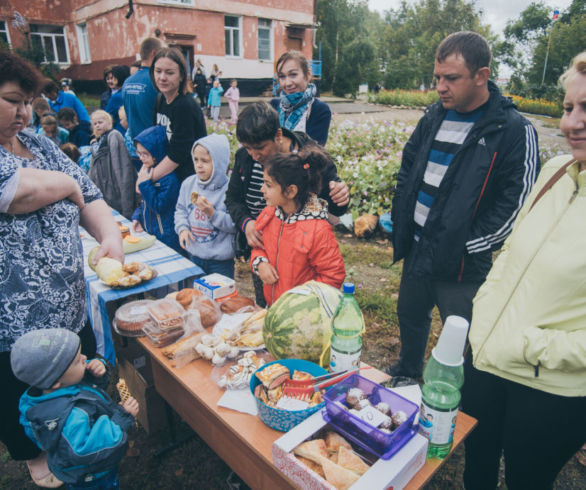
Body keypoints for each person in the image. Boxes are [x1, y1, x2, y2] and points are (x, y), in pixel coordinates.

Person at [462, 51, 586, 490]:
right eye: (569, 107)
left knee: (526, 479)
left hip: (548, 387)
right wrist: (485, 310)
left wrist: (532, 345)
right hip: (487, 356)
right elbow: (512, 252)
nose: (572, 123)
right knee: (475, 460)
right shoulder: (556, 171)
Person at [0, 51, 123, 488]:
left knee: (83, 390)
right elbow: (12, 191)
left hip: (69, 314)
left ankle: (89, 441)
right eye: (13, 100)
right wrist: (66, 184)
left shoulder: (38, 143)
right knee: (30, 413)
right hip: (16, 332)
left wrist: (110, 238)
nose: (24, 112)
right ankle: (39, 460)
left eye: (29, 100)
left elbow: (90, 195)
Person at [388, 31, 540, 384]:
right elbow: (409, 164)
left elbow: (515, 204)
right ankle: (408, 373)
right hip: (419, 248)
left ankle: (457, 397)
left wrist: (465, 243)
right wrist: (402, 216)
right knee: (410, 315)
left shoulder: (513, 130)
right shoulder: (435, 115)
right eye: (438, 77)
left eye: (451, 78)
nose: (441, 86)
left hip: (462, 263)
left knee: (463, 334)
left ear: (481, 76)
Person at [225, 102, 349, 306]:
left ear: (278, 135)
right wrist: (247, 224)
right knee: (267, 299)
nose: (254, 156)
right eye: (248, 148)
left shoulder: (308, 156)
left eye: (260, 148)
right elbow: (233, 198)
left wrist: (341, 196)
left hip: (301, 264)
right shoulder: (245, 160)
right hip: (264, 243)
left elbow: (335, 205)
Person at [11, 328, 138, 489]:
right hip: (92, 474)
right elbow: (87, 448)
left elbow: (88, 394)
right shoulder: (69, 418)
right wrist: (121, 419)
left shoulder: (51, 390)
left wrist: (94, 376)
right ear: (56, 380)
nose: (85, 358)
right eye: (78, 360)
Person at [251, 148, 345, 306]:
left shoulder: (318, 230)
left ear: (290, 191)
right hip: (274, 307)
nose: (262, 189)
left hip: (303, 316)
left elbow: (333, 275)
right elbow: (258, 246)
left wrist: (303, 303)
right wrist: (260, 263)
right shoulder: (269, 215)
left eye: (268, 185)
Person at [175, 133, 236, 278]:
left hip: (221, 261)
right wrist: (182, 228)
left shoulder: (229, 190)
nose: (199, 165)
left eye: (205, 160)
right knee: (196, 298)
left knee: (221, 299)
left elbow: (234, 224)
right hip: (194, 254)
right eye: (196, 160)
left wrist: (212, 214)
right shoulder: (189, 184)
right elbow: (181, 210)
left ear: (219, 162)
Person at [149, 47, 207, 183]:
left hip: (187, 180)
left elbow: (179, 153)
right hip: (168, 176)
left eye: (169, 73)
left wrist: (149, 178)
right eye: (158, 71)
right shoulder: (160, 99)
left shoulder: (184, 106)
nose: (162, 77)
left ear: (181, 76)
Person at [131, 125, 182, 254]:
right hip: (151, 232)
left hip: (167, 237)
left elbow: (159, 206)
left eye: (145, 154)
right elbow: (144, 202)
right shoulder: (146, 171)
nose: (141, 158)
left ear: (156, 152)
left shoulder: (169, 179)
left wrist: (144, 184)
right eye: (139, 153)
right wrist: (137, 217)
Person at [270, 50, 331, 146]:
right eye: (282, 76)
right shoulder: (273, 106)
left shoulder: (319, 110)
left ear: (307, 75)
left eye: (293, 74)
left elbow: (314, 153)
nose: (287, 83)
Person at [88, 110, 137, 219]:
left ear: (109, 122)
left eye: (100, 122)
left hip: (115, 189)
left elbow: (122, 168)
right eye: (95, 124)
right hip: (104, 190)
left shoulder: (114, 135)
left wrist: (126, 204)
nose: (97, 126)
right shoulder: (98, 141)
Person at [122, 37, 163, 141]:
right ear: (154, 53)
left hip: (136, 143)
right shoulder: (156, 80)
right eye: (161, 54)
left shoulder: (127, 82)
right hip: (154, 143)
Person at [104, 65, 131, 135]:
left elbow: (106, 117)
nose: (111, 80)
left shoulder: (116, 97)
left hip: (120, 131)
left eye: (113, 78)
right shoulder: (129, 91)